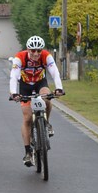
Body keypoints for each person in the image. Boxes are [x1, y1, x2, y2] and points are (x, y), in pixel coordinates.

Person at [9, 35, 64, 167]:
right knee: (27, 118)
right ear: (28, 49)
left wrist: (59, 88)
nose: (36, 53)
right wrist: (14, 93)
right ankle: (28, 152)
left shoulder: (46, 56)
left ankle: (47, 123)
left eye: (39, 50)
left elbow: (54, 72)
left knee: (47, 98)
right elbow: (14, 76)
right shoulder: (20, 57)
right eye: (33, 50)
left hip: (40, 83)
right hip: (25, 86)